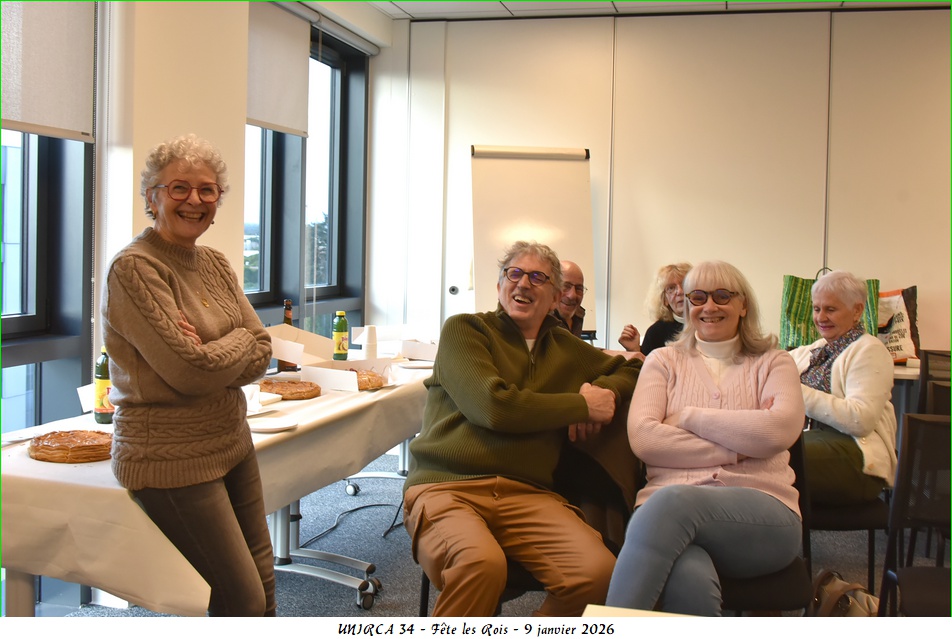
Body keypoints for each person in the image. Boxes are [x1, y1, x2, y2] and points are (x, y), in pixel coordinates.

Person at [403, 241, 642, 617]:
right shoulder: (466, 330)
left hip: (528, 494)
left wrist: (604, 391)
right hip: (447, 486)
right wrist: (581, 406)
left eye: (537, 277)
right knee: (479, 565)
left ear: (556, 297)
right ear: (500, 285)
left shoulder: (564, 347)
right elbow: (493, 408)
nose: (523, 283)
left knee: (598, 574)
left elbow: (633, 367)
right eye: (513, 273)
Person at [102, 134, 276, 616]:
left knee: (264, 582)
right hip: (168, 456)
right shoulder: (134, 269)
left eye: (207, 189)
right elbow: (189, 372)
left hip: (230, 439)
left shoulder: (215, 263)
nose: (194, 200)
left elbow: (263, 351)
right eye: (178, 188)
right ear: (152, 197)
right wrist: (237, 340)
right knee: (240, 598)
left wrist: (219, 348)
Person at [606, 260, 805, 616]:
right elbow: (645, 440)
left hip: (763, 518)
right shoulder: (662, 361)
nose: (709, 306)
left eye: (722, 296)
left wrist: (688, 417)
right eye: (697, 297)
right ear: (685, 305)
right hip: (667, 522)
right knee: (689, 575)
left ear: (743, 305)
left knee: (671, 503)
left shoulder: (775, 362)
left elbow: (778, 431)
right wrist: (740, 446)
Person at [789, 270, 897, 506]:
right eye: (816, 309)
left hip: (858, 458)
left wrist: (794, 391)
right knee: (758, 451)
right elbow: (771, 363)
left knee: (772, 458)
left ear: (857, 311)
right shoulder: (817, 349)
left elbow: (860, 420)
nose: (820, 317)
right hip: (814, 442)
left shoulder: (870, 350)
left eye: (830, 309)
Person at [618, 262, 691, 357]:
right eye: (671, 288)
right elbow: (645, 365)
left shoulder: (706, 324)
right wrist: (634, 350)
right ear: (664, 299)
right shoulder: (656, 332)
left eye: (684, 284)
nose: (680, 291)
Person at [553, 260, 587, 337]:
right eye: (566, 286)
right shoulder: (541, 322)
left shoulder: (578, 315)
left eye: (578, 288)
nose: (572, 295)